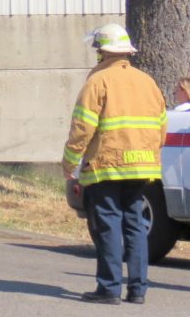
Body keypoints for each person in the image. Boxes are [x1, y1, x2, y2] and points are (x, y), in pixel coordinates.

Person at [62, 23, 167, 305]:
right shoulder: (148, 82)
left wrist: (69, 162)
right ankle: (137, 289)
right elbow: (161, 127)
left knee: (108, 226)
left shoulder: (97, 82)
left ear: (102, 52)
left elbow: (82, 128)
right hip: (142, 168)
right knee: (135, 226)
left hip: (106, 167)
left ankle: (109, 288)